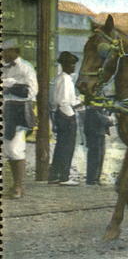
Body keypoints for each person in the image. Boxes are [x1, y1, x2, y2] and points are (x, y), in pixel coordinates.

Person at [2, 40, 38, 199]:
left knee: (16, 148)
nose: (3, 55)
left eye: (6, 52)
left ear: (15, 51)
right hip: (7, 110)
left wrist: (10, 86)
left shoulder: (26, 68)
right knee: (9, 149)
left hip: (19, 111)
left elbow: (31, 92)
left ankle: (19, 186)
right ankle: (16, 184)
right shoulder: (4, 67)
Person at [48, 51, 83, 185]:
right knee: (67, 147)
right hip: (66, 114)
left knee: (60, 146)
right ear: (65, 65)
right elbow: (63, 101)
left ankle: (54, 175)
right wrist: (79, 103)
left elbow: (55, 100)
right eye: (72, 64)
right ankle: (64, 176)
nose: (74, 67)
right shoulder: (65, 79)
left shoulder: (58, 78)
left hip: (60, 113)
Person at [83, 105, 113, 186]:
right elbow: (99, 117)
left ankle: (96, 178)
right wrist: (110, 120)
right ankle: (92, 179)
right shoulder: (92, 106)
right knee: (95, 155)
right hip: (94, 131)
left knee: (100, 155)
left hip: (100, 131)